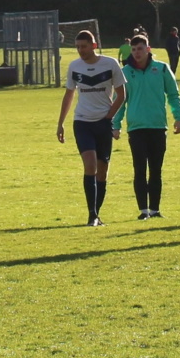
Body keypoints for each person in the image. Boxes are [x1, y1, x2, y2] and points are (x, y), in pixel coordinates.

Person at [58, 30, 126, 226]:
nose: (80, 50)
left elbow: (121, 94)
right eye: (77, 47)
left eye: (84, 46)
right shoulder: (74, 66)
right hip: (82, 122)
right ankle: (92, 215)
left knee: (102, 171)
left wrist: (109, 116)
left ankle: (97, 213)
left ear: (94, 46)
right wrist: (60, 123)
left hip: (103, 123)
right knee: (90, 166)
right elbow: (69, 95)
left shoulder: (110, 64)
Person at [112, 34, 180, 220]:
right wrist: (115, 124)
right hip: (136, 128)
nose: (137, 53)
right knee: (139, 169)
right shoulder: (125, 72)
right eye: (134, 49)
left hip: (158, 126)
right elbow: (119, 100)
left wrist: (178, 117)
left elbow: (173, 95)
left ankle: (155, 209)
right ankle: (143, 210)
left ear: (148, 49)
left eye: (140, 49)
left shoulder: (161, 69)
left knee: (156, 169)